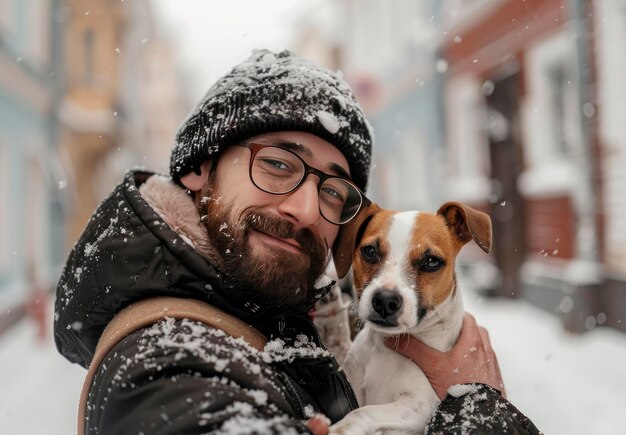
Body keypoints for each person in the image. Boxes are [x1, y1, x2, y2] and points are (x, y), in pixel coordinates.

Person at [54, 49, 540, 434]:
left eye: (331, 190)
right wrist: (476, 410)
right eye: (279, 164)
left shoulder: (288, 314)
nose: (306, 209)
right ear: (199, 168)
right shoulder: (166, 364)